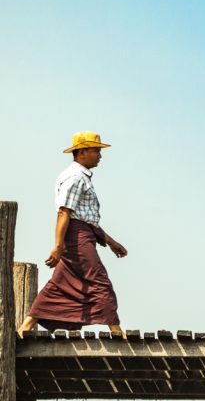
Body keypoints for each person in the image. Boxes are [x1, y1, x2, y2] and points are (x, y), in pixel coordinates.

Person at [17, 132, 128, 338]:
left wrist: (111, 243)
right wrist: (58, 245)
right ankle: (116, 330)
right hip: (76, 237)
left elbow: (86, 219)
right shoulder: (75, 177)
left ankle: (25, 327)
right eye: (97, 151)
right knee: (99, 281)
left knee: (60, 281)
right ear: (83, 152)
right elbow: (64, 212)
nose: (100, 156)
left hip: (82, 234)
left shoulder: (81, 176)